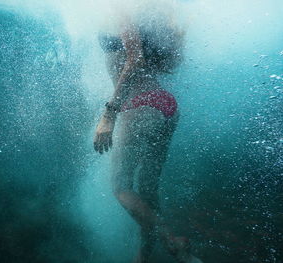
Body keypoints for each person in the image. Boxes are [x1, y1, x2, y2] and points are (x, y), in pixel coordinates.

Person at [93, 2, 203, 263]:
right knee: (147, 190)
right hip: (165, 105)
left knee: (120, 187)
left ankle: (172, 241)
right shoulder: (152, 18)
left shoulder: (123, 10)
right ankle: (144, 256)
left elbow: (135, 60)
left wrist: (108, 116)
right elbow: (155, 62)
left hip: (140, 105)